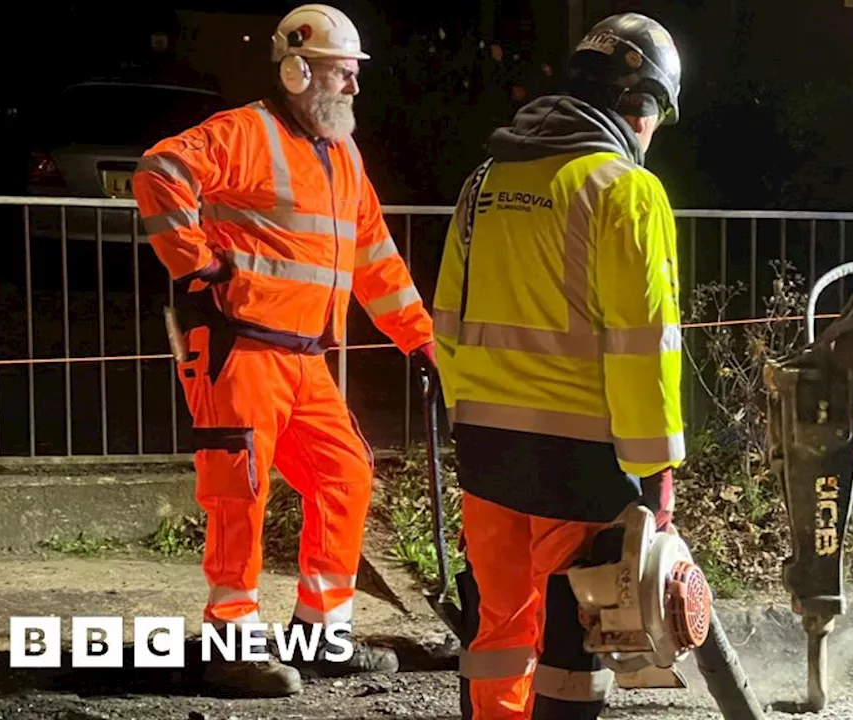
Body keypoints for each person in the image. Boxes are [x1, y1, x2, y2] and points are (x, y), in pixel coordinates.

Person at [132, 3, 434, 697]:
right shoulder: (245, 132)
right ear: (299, 71)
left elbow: (376, 260)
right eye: (343, 73)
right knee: (240, 491)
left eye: (356, 73)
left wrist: (422, 340)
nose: (355, 86)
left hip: (304, 360)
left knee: (346, 477)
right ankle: (231, 642)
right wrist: (197, 265)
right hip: (239, 350)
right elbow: (159, 171)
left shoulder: (343, 156)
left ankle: (319, 637)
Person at [431, 12, 685, 720]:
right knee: (576, 640)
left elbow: (446, 323)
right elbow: (643, 349)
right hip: (582, 462)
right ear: (641, 109)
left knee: (498, 630)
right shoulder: (625, 192)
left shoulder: (484, 182)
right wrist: (655, 471)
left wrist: (470, 419)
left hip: (484, 451)